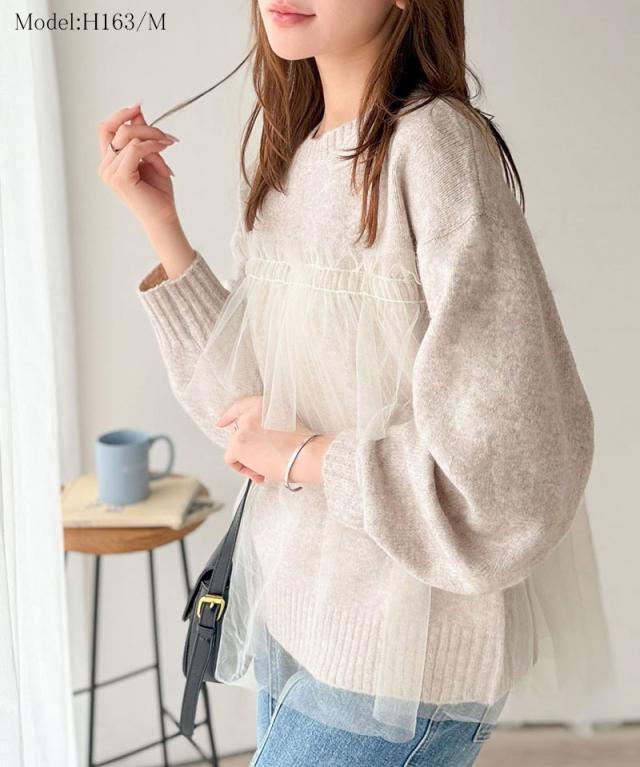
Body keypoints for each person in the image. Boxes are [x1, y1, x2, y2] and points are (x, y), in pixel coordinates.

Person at [97, 1, 614, 764]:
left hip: (406, 650)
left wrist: (304, 456)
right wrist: (160, 225)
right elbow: (245, 415)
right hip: (296, 615)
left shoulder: (433, 147)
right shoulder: (291, 155)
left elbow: (509, 467)